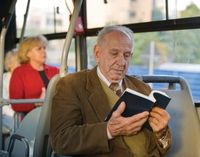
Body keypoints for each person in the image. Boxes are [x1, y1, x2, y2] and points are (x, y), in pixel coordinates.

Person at [50, 25, 172, 157]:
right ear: (97, 53)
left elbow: (162, 147)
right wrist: (109, 130)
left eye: (127, 55)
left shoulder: (142, 88)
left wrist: (161, 132)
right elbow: (60, 140)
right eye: (114, 53)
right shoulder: (72, 85)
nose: (122, 62)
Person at [9, 35, 59, 115]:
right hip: (32, 118)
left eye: (44, 48)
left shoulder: (55, 70)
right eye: (39, 49)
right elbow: (15, 104)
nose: (44, 51)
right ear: (28, 53)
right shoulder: (19, 73)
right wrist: (36, 103)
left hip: (56, 114)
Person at [3, 49, 20, 131]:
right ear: (10, 64)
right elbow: (3, 105)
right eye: (19, 62)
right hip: (8, 115)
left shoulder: (24, 78)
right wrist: (15, 115)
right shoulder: (3, 79)